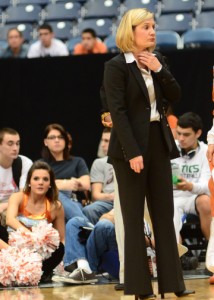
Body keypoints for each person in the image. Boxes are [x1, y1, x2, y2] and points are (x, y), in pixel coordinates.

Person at [102, 8, 194, 299]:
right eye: (146, 27)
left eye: (153, 26)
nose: (152, 31)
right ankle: (140, 288)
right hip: (129, 147)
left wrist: (159, 69)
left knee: (164, 214)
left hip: (158, 140)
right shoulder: (116, 66)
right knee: (132, 218)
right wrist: (132, 151)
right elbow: (117, 111)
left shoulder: (158, 61)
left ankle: (174, 284)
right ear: (131, 31)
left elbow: (176, 95)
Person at [6, 160, 65, 282]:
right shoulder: (18, 197)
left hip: (38, 255)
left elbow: (61, 238)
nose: (40, 183)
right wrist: (31, 236)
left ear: (50, 184)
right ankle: (15, 271)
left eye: (45, 179)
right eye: (36, 179)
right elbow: (10, 220)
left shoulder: (55, 206)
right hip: (13, 248)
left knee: (60, 248)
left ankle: (35, 274)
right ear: (29, 182)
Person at [172, 112, 211, 242]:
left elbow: (208, 186)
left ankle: (212, 251)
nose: (181, 138)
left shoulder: (207, 152)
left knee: (206, 201)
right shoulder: (169, 149)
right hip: (172, 198)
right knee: (165, 211)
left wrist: (190, 186)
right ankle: (176, 256)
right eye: (179, 133)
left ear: (198, 133)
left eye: (186, 134)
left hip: (194, 198)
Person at [41, 123, 90, 222]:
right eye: (52, 137)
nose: (57, 140)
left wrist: (53, 183)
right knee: (57, 194)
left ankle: (84, 224)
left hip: (74, 202)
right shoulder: (41, 165)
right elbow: (39, 186)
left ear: (65, 140)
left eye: (60, 137)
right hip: (49, 204)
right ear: (45, 142)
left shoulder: (78, 161)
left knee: (72, 222)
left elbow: (86, 184)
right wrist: (66, 184)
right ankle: (87, 225)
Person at [0, 127, 32, 225]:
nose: (15, 148)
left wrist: (6, 205)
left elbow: (24, 195)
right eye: (10, 144)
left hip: (17, 205)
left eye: (17, 143)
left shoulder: (24, 163)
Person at [82, 128, 114, 224]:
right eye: (102, 140)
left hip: (129, 201)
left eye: (107, 141)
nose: (102, 144)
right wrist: (113, 196)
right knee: (89, 210)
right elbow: (95, 196)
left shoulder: (132, 160)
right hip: (109, 202)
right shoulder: (99, 163)